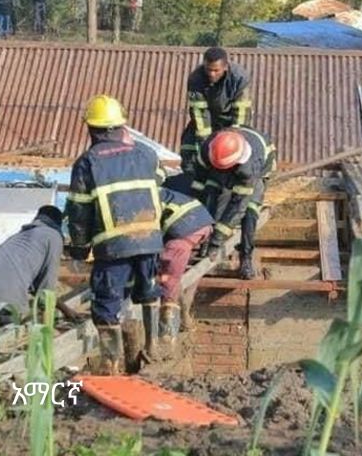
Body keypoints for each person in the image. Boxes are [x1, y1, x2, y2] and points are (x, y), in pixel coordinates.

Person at [65, 95, 166, 375]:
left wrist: (79, 248)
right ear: (122, 126)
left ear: (92, 129)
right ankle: (153, 347)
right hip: (150, 240)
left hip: (113, 246)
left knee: (107, 302)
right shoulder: (147, 154)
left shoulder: (87, 162)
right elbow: (160, 183)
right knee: (149, 290)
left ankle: (110, 363)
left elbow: (79, 211)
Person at [191, 126, 276, 280]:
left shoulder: (248, 168)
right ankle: (205, 241)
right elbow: (199, 183)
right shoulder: (207, 150)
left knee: (250, 211)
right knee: (212, 194)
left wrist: (216, 241)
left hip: (258, 172)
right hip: (224, 161)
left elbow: (238, 207)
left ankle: (246, 258)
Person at [0, 205, 64, 333]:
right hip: (6, 292)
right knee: (8, 337)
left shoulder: (21, 235)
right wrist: (50, 317)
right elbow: (46, 288)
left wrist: (66, 310)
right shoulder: (54, 237)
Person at [156, 185, 213, 357]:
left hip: (187, 228)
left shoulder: (135, 202)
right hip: (196, 221)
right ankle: (174, 326)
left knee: (169, 279)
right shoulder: (142, 193)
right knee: (166, 274)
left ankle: (167, 339)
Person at [179, 47, 252, 176]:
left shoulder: (239, 77)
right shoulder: (196, 78)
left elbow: (241, 110)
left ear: (225, 67)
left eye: (216, 70)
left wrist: (236, 133)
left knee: (231, 150)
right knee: (188, 148)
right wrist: (205, 143)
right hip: (207, 117)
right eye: (208, 69)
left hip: (230, 119)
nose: (212, 74)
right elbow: (200, 112)